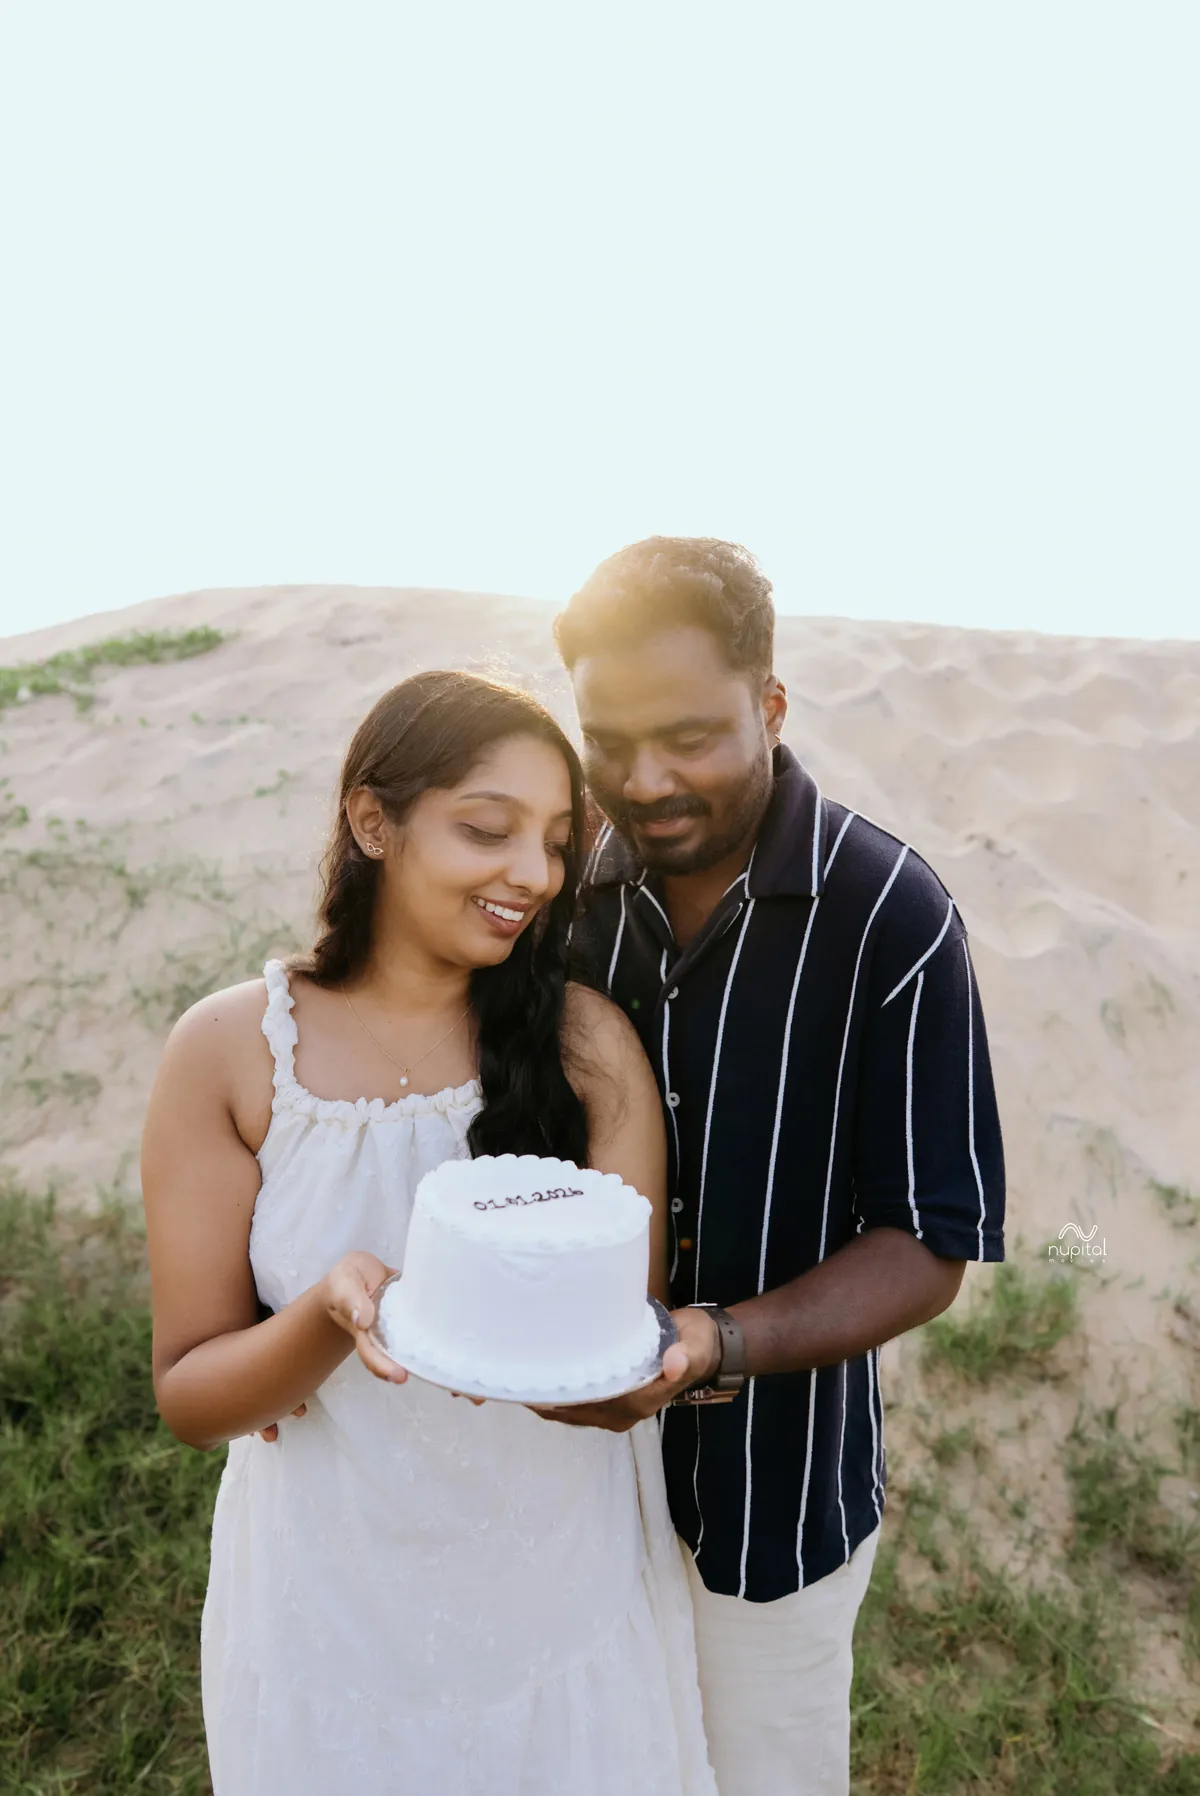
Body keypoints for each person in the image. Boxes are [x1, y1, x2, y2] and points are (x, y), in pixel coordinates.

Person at [141, 671, 716, 1796]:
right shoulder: (231, 1052)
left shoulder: (585, 1044)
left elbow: (620, 1330)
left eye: (556, 841)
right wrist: (321, 1314)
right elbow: (191, 1391)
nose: (534, 875)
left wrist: (654, 1359)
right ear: (372, 822)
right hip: (330, 1605)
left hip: (556, 1589)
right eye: (487, 830)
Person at [547, 537, 1007, 1796]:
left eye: (691, 735)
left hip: (776, 1499)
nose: (646, 780)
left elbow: (929, 1241)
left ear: (772, 704)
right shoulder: (559, 889)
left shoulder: (892, 913)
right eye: (610, 740)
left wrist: (714, 1338)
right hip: (564, 1498)